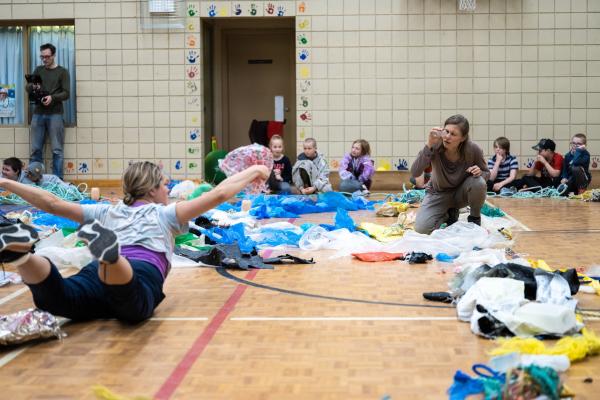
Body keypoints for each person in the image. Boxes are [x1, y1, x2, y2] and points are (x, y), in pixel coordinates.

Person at [0, 161, 269, 323]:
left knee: (58, 301)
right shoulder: (166, 213)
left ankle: (23, 257)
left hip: (94, 275)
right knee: (134, 308)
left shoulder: (106, 211)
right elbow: (220, 193)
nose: (167, 189)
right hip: (140, 269)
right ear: (152, 190)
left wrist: (5, 183)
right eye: (164, 185)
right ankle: (110, 255)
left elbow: (52, 203)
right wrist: (255, 169)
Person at [410, 114, 489, 234]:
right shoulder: (435, 145)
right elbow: (415, 171)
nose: (447, 137)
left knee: (478, 182)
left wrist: (480, 172)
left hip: (460, 194)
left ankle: (474, 218)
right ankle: (448, 214)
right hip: (437, 194)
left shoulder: (473, 149)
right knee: (421, 229)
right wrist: (428, 144)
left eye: (453, 134)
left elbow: (486, 173)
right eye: (446, 131)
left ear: (463, 138)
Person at [27, 43, 70, 179]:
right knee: (35, 150)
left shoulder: (62, 72)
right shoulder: (38, 70)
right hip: (38, 113)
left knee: (57, 150)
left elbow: (66, 93)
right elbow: (28, 87)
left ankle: (57, 181)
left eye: (47, 57)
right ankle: (34, 181)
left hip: (55, 114)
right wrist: (32, 86)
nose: (44, 59)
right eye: (42, 57)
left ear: (54, 55)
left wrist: (52, 97)